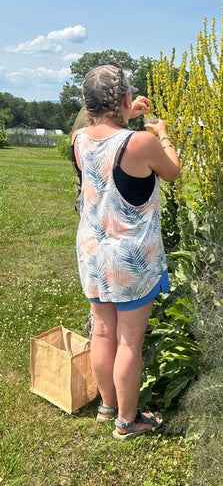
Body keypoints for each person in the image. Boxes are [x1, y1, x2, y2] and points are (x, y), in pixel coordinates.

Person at [71, 63, 180, 440]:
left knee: (102, 332)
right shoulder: (140, 143)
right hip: (130, 256)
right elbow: (172, 172)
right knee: (129, 341)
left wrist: (125, 113)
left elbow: (101, 135)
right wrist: (164, 135)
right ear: (122, 98)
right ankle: (127, 422)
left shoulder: (78, 139)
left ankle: (107, 408)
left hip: (92, 251)